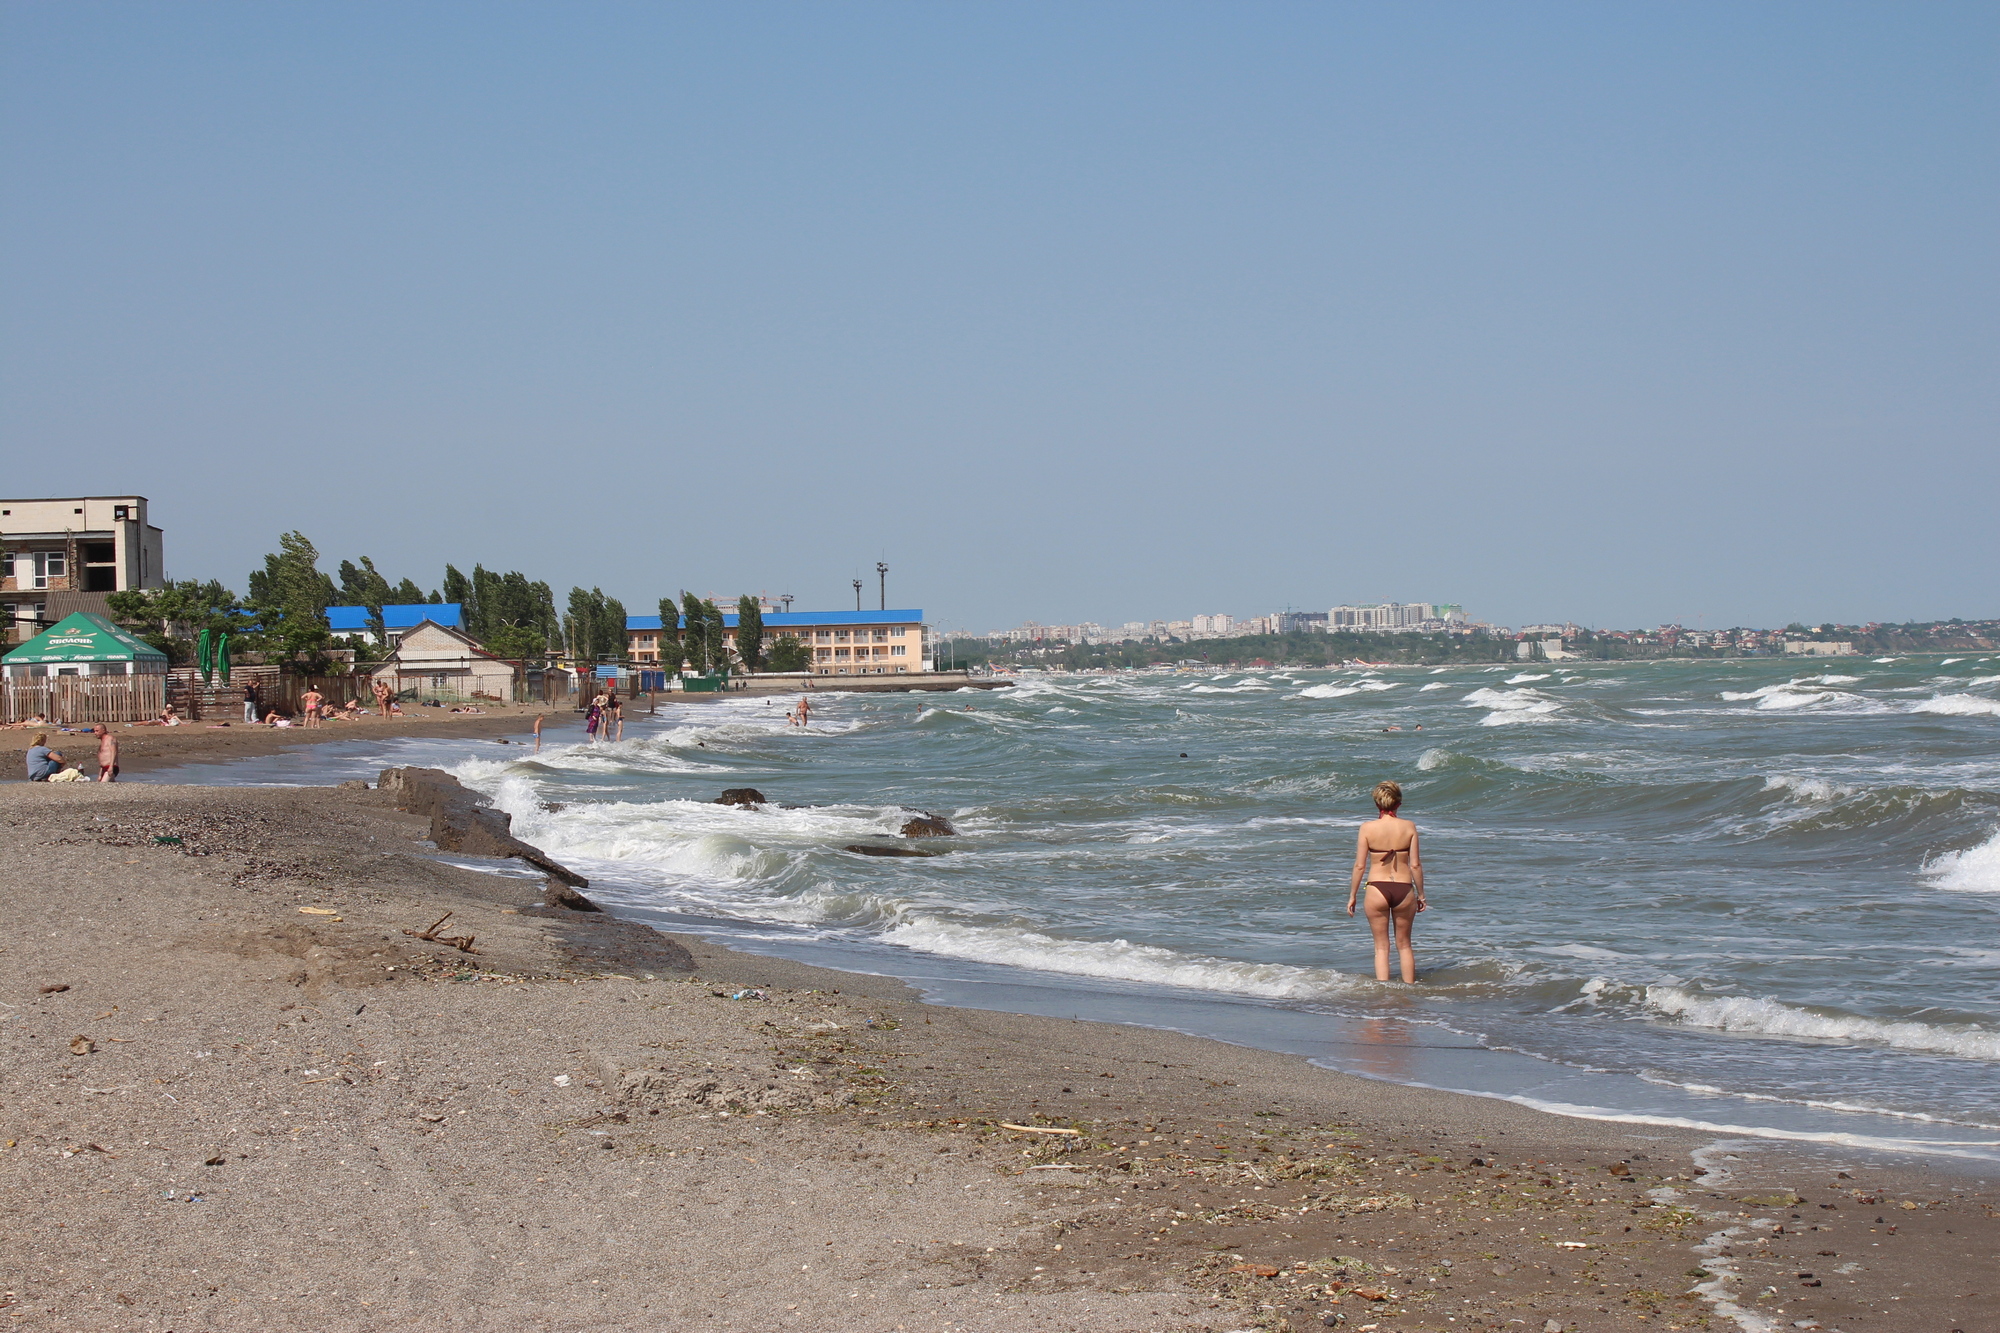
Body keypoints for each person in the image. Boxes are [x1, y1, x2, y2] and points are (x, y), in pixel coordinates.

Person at [1346, 779, 1425, 983]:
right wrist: (1421, 895)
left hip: (1376, 888)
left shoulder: (1367, 828)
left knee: (1381, 948)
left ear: (1377, 804)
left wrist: (1352, 895)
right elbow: (1415, 865)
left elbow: (1360, 866)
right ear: (1399, 803)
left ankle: (1383, 993)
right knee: (1405, 945)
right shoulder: (1409, 827)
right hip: (1404, 889)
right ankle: (1410, 991)